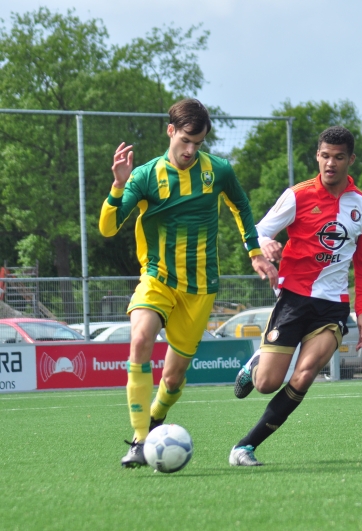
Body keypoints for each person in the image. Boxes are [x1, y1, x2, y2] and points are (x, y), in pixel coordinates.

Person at [98, 98, 276, 468]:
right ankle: (139, 441)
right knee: (140, 339)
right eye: (186, 141)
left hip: (200, 289)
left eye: (199, 143)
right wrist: (117, 186)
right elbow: (108, 227)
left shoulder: (218, 171)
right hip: (158, 280)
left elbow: (240, 206)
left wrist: (254, 251)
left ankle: (156, 419)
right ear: (171, 132)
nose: (191, 150)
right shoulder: (145, 176)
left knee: (174, 379)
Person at [229, 125, 362, 466]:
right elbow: (258, 230)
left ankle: (245, 447)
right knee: (267, 384)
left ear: (350, 160)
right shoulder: (297, 195)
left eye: (339, 158)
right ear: (317, 156)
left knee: (307, 373)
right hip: (293, 298)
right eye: (325, 156)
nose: (330, 164)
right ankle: (256, 366)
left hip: (333, 306)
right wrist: (264, 244)